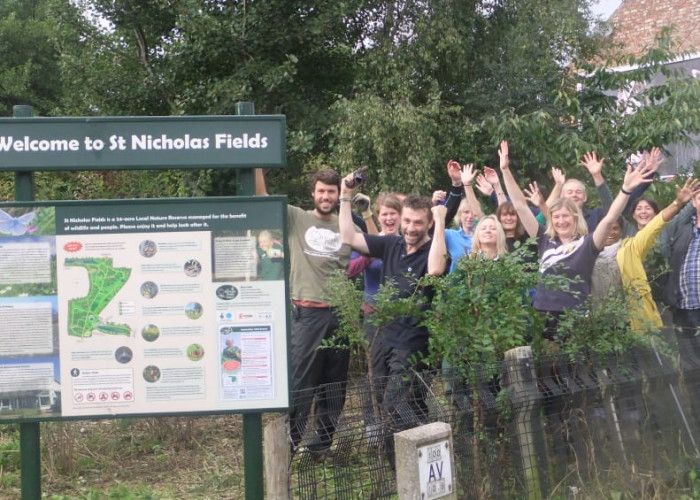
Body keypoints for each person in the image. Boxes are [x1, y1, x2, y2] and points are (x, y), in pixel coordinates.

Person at [497, 140, 656, 338]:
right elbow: (520, 206)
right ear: (551, 219)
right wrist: (505, 170)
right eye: (556, 217)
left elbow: (610, 218)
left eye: (566, 216)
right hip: (542, 313)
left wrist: (625, 189)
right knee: (548, 366)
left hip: (577, 314)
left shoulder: (588, 243)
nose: (561, 221)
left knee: (577, 366)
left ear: (575, 218)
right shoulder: (543, 239)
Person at [339, 175, 445, 466]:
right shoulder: (391, 245)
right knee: (385, 401)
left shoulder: (432, 250)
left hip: (412, 342)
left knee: (396, 404)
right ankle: (400, 467)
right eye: (407, 221)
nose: (411, 228)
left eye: (418, 223)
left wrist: (441, 220)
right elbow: (349, 237)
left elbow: (436, 270)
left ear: (428, 224)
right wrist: (345, 195)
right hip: (382, 337)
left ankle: (414, 464)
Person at [255, 167, 353, 460]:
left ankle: (321, 447)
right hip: (308, 314)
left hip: (341, 314)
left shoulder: (346, 223)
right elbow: (263, 198)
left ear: (338, 195)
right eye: (321, 191)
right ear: (313, 193)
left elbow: (374, 244)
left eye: (331, 191)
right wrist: (260, 164)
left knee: (334, 386)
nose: (326, 196)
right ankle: (289, 447)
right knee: (302, 384)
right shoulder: (296, 217)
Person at [590, 178, 699, 333]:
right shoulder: (629, 234)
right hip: (634, 299)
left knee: (664, 343)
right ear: (633, 214)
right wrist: (598, 178)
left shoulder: (666, 230)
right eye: (639, 209)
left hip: (661, 299)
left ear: (656, 213)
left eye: (647, 208)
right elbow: (612, 209)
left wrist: (684, 200)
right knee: (638, 345)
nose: (643, 212)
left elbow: (687, 210)